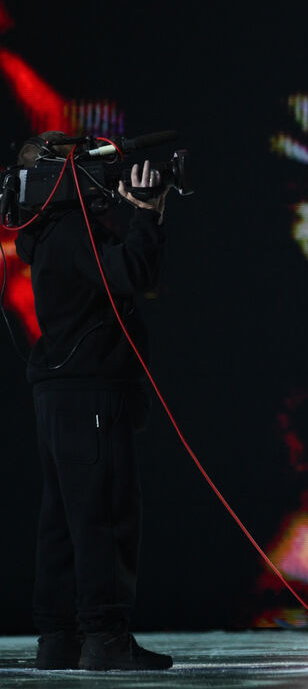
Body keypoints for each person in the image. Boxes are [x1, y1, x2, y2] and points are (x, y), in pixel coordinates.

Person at [15, 132, 173, 671]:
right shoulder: (71, 231)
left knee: (63, 518)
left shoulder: (48, 231)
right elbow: (132, 274)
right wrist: (147, 215)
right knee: (104, 513)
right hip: (88, 393)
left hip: (60, 393)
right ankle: (104, 639)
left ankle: (59, 638)